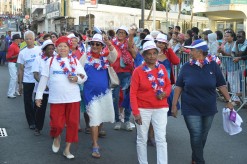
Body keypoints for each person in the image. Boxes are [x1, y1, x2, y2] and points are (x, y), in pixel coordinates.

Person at [171, 39, 233, 164]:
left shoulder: (213, 66)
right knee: (196, 134)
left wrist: (229, 100)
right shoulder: (186, 67)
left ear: (200, 52)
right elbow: (179, 86)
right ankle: (200, 161)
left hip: (208, 107)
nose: (189, 52)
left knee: (202, 136)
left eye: (192, 50)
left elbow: (221, 84)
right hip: (190, 107)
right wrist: (174, 104)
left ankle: (195, 158)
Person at [35, 36, 87, 159]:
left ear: (69, 48)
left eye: (65, 46)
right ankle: (57, 136)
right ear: (56, 48)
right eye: (60, 46)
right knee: (57, 125)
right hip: (56, 99)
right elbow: (43, 79)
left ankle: (67, 149)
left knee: (73, 124)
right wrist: (38, 96)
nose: (62, 48)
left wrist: (77, 79)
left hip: (73, 98)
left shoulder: (74, 61)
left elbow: (84, 77)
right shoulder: (50, 61)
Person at [130, 40, 171, 164]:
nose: (152, 56)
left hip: (161, 108)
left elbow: (168, 85)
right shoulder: (138, 71)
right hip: (143, 109)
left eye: (154, 53)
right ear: (144, 56)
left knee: (161, 138)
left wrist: (165, 93)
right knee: (142, 139)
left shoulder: (162, 68)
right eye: (149, 54)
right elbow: (132, 93)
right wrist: (136, 112)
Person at [79, 33, 117, 158]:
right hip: (90, 95)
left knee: (100, 118)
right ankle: (95, 145)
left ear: (102, 46)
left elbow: (114, 56)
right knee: (94, 118)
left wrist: (109, 43)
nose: (94, 46)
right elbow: (78, 71)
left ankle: (95, 138)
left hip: (104, 94)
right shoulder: (85, 57)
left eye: (98, 44)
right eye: (93, 44)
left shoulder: (105, 58)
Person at [111, 26, 136, 131]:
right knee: (116, 98)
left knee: (127, 98)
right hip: (115, 73)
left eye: (123, 32)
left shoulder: (129, 44)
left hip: (127, 73)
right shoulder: (112, 43)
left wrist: (131, 36)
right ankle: (117, 120)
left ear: (126, 35)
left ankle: (126, 121)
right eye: (119, 32)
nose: (120, 34)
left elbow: (133, 53)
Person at [17, 31, 42, 130]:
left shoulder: (40, 50)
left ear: (34, 39)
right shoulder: (22, 52)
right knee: (27, 101)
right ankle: (31, 122)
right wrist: (20, 85)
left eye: (30, 38)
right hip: (27, 80)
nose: (28, 41)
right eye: (26, 39)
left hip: (38, 80)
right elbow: (21, 69)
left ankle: (37, 119)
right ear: (24, 40)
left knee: (38, 100)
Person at [32, 40, 55, 136]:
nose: (51, 51)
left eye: (52, 49)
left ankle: (55, 130)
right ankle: (38, 127)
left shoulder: (56, 58)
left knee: (54, 112)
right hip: (42, 90)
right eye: (49, 49)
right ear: (44, 50)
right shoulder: (38, 59)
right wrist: (43, 84)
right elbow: (35, 74)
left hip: (54, 89)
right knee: (40, 110)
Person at [6, 34, 21, 98]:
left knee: (16, 78)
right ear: (16, 40)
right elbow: (8, 57)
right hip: (12, 63)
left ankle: (15, 91)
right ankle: (10, 93)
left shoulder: (16, 46)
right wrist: (18, 55)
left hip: (15, 63)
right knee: (13, 78)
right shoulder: (12, 46)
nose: (20, 40)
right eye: (19, 39)